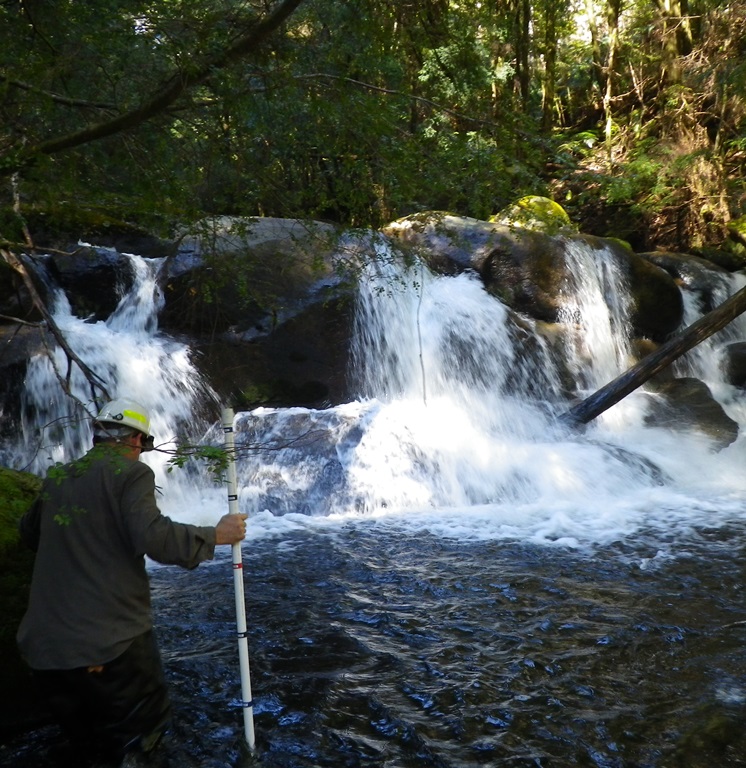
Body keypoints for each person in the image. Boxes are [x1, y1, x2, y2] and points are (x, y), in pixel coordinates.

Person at [16, 397, 247, 764]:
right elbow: (152, 537)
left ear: (98, 438)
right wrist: (215, 535)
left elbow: (29, 533)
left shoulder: (58, 479)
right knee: (142, 736)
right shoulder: (132, 474)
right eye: (144, 446)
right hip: (110, 646)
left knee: (85, 745)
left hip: (46, 652)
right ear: (137, 442)